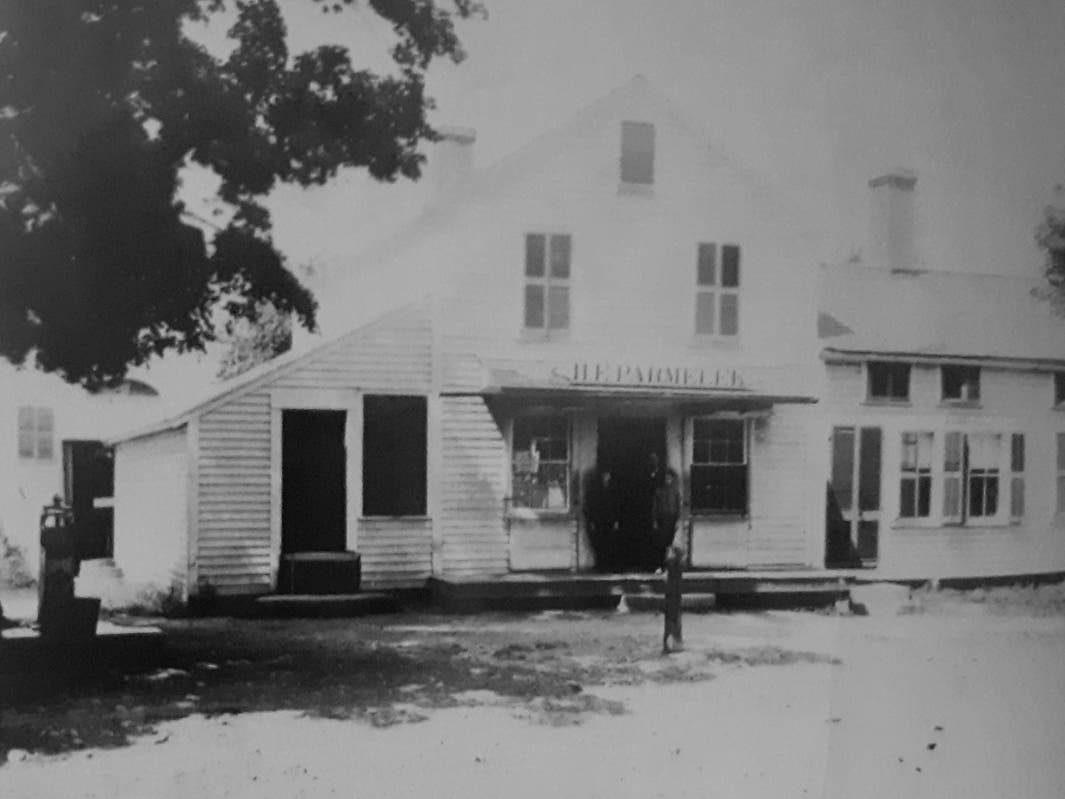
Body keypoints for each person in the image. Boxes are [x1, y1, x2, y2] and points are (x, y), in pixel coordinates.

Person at [584, 469, 619, 572]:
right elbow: (591, 506)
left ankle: (609, 564)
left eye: (608, 476)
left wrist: (616, 520)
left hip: (610, 520)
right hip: (599, 520)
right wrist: (591, 520)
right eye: (604, 476)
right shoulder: (596, 490)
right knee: (599, 542)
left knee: (609, 542)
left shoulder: (613, 489)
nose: (606, 478)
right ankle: (600, 564)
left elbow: (616, 505)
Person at [652, 468, 682, 570]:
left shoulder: (675, 492)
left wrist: (678, 520)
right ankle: (659, 565)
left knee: (670, 543)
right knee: (661, 543)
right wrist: (655, 520)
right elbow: (655, 507)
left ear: (672, 479)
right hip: (662, 520)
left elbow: (679, 507)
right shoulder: (659, 491)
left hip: (672, 520)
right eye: (666, 478)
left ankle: (668, 565)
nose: (668, 480)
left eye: (669, 478)